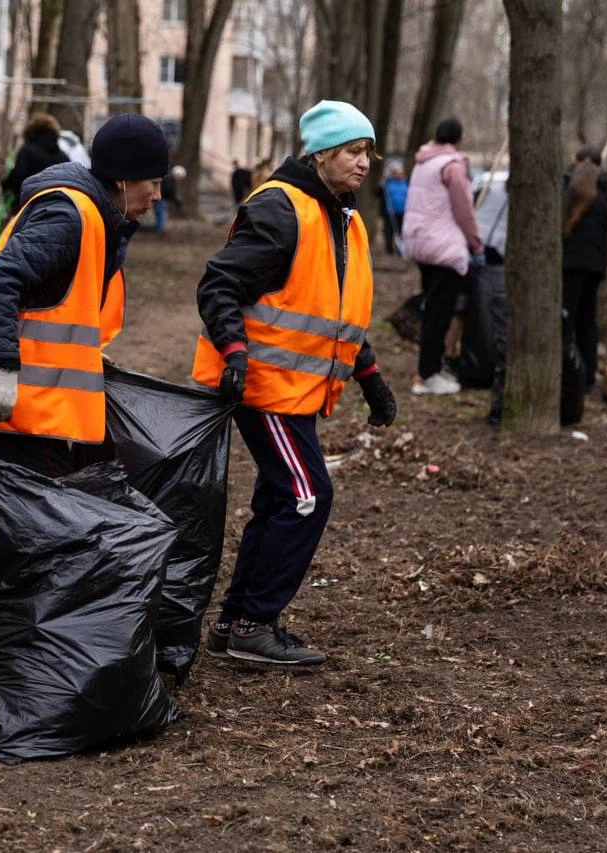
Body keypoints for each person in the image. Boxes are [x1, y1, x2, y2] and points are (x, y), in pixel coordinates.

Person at [0, 113, 170, 686]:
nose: (158, 194)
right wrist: (4, 368)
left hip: (35, 404)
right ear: (122, 179)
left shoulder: (96, 215)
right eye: (153, 182)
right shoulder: (71, 215)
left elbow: (60, 308)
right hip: (12, 403)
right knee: (16, 528)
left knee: (7, 525)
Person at [191, 100, 396, 666]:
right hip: (261, 385)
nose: (364, 163)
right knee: (307, 496)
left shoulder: (342, 218)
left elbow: (334, 315)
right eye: (353, 151)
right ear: (322, 154)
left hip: (295, 390)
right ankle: (254, 625)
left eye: (368, 153)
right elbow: (219, 285)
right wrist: (234, 353)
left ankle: (234, 623)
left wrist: (371, 377)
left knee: (281, 497)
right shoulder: (281, 208)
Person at [401, 117, 483, 394]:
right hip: (443, 249)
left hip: (420, 244)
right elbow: (464, 211)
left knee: (432, 309)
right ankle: (428, 375)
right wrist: (476, 245)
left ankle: (428, 370)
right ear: (459, 139)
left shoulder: (423, 162)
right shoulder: (452, 166)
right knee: (440, 313)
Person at [561, 144, 607, 389]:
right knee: (587, 321)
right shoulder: (603, 197)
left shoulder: (570, 192)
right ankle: (587, 375)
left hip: (571, 264)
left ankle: (568, 372)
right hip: (594, 266)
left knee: (568, 319)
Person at [0, 113, 69, 203]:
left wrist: (5, 185)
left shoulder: (27, 151)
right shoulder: (63, 157)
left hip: (30, 203)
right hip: (56, 205)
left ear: (31, 131)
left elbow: (18, 176)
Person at [379, 162, 408, 254]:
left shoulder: (406, 182)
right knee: (389, 231)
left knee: (401, 231)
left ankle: (400, 249)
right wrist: (381, 185)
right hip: (389, 212)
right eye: (397, 173)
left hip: (403, 212)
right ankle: (389, 249)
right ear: (393, 174)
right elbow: (378, 193)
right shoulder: (387, 183)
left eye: (400, 173)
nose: (399, 175)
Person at [152, 164, 185, 234]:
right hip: (161, 198)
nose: (179, 179)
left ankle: (158, 228)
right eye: (179, 177)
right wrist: (174, 198)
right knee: (162, 213)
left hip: (158, 197)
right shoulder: (169, 179)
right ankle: (159, 229)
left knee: (159, 213)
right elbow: (169, 190)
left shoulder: (168, 177)